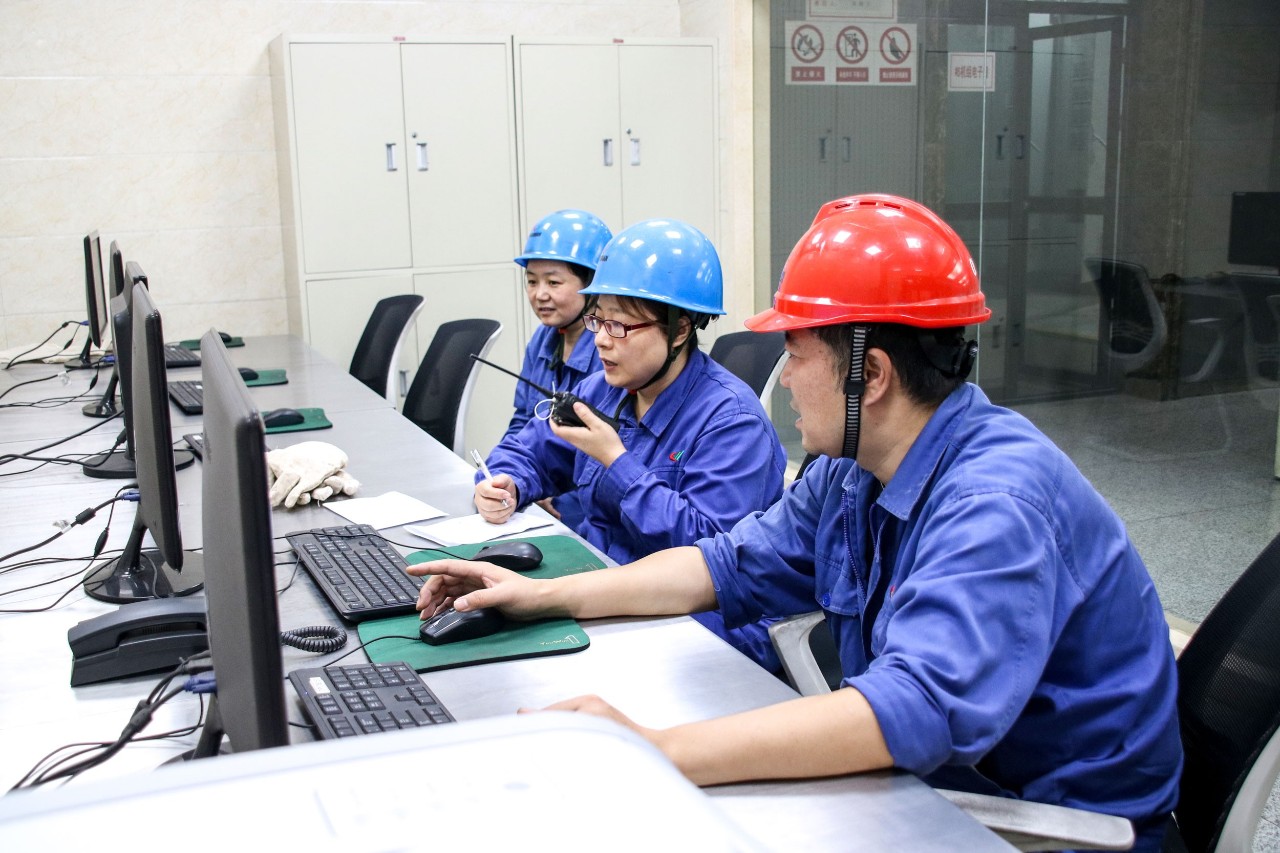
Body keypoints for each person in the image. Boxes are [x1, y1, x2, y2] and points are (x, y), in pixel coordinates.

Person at [414, 195, 1182, 850]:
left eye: (796, 351)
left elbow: (912, 710)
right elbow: (722, 562)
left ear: (869, 374)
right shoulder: (854, 468)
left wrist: (653, 748)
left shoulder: (993, 502)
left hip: (1039, 824)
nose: (782, 381)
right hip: (929, 784)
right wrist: (538, 595)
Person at [474, 218, 787, 671]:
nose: (601, 340)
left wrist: (617, 462)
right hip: (606, 588)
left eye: (619, 325)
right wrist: (507, 483)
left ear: (680, 330)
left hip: (697, 621)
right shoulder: (603, 390)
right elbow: (532, 449)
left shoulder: (732, 422)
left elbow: (709, 558)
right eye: (597, 319)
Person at [504, 209, 613, 528]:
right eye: (531, 281)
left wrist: (546, 492)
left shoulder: (609, 350)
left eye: (553, 282)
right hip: (537, 491)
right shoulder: (543, 338)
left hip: (583, 504)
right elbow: (523, 419)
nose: (540, 295)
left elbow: (611, 454)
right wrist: (506, 475)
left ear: (591, 284)